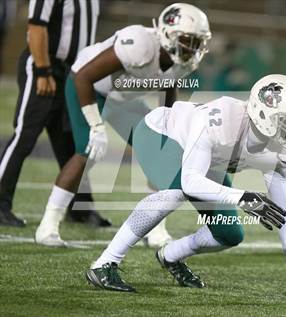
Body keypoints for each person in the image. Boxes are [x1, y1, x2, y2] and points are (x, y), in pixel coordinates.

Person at [86, 74, 286, 307]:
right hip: (161, 135)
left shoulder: (282, 150)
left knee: (229, 234)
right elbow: (190, 182)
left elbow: (285, 211)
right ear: (263, 114)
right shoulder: (222, 121)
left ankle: (171, 256)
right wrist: (243, 198)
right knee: (176, 191)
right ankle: (104, 264)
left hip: (205, 161)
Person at [35, 3, 212, 247]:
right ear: (167, 33)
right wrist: (96, 127)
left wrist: (169, 128)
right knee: (88, 149)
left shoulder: (185, 61)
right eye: (186, 40)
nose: (191, 48)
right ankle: (48, 226)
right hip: (88, 87)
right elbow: (85, 76)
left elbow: (169, 86)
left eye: (196, 42)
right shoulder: (139, 43)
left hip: (124, 98)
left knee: (164, 154)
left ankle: (155, 229)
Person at [0, 0, 110, 227]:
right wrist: (42, 70)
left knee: (73, 143)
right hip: (46, 67)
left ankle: (81, 208)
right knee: (25, 136)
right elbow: (36, 26)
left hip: (74, 74)